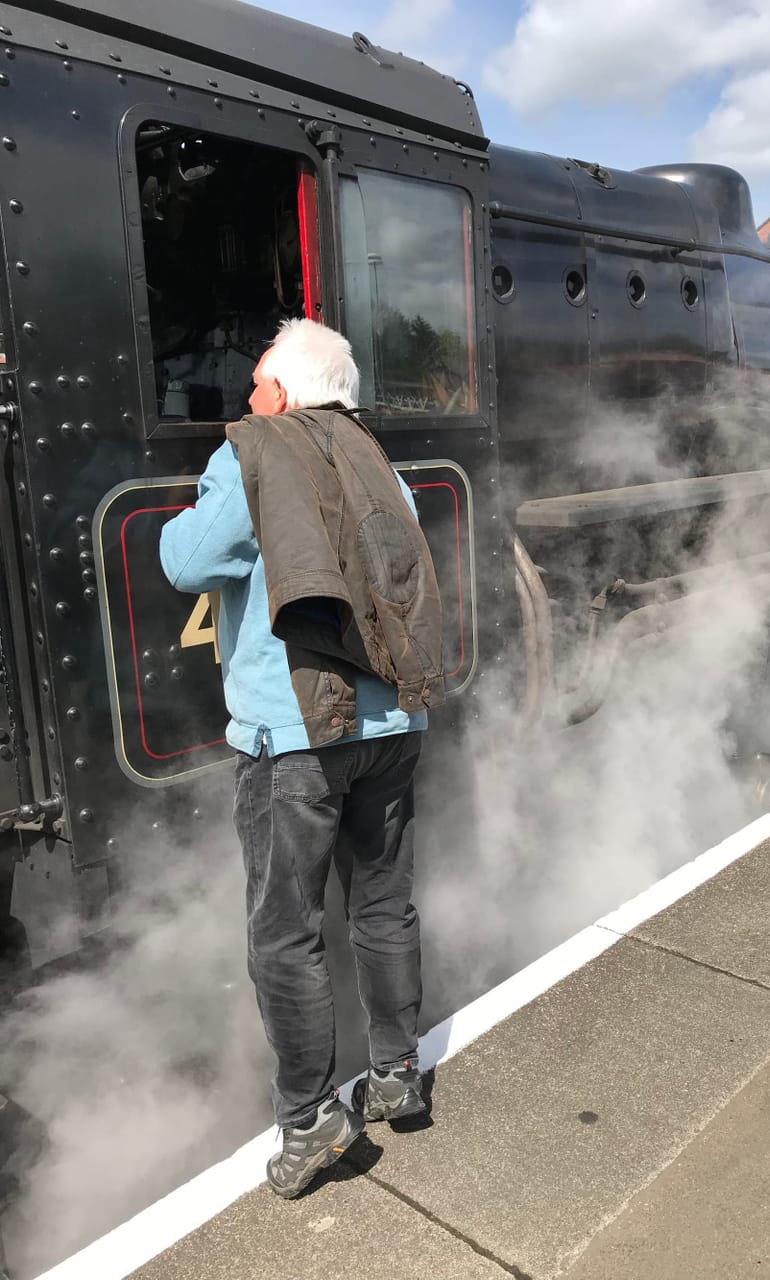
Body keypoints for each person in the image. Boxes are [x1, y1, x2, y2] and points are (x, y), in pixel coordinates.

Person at [160, 319, 441, 1199]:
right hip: (391, 725)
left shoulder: (251, 458)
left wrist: (199, 499)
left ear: (282, 394)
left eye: (254, 386)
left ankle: (313, 1118)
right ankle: (397, 1074)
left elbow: (185, 562)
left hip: (296, 743)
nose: (246, 400)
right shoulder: (379, 464)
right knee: (384, 903)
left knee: (286, 935)